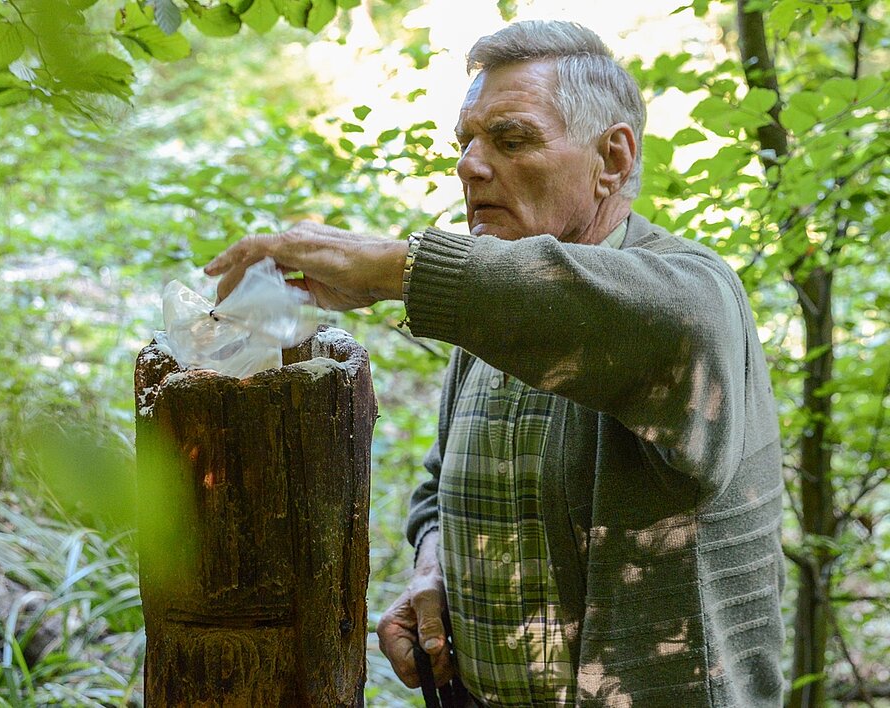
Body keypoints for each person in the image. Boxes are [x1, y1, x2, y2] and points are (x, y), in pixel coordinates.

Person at [205, 20, 784, 707]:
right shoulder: (496, 319)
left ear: (613, 158)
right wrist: (434, 564)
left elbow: (659, 328)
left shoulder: (693, 292)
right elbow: (438, 487)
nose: (471, 167)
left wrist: (394, 266)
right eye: (467, 143)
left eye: (511, 140)